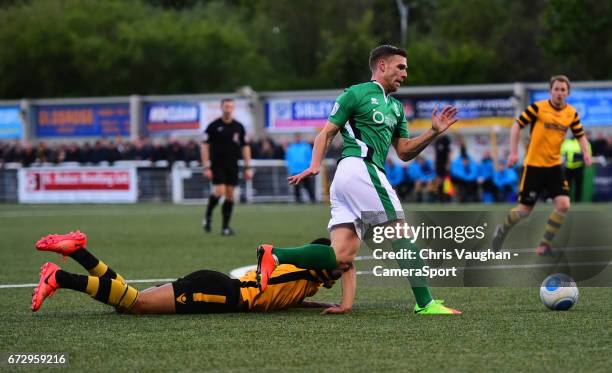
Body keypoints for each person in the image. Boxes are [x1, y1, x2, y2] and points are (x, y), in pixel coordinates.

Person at [258, 45, 461, 315]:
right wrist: (315, 164)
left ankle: (275, 254)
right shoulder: (356, 93)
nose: (405, 73)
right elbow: (326, 133)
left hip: (351, 177)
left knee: (341, 255)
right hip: (360, 169)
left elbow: (404, 152)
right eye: (400, 67)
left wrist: (433, 132)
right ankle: (425, 303)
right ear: (382, 66)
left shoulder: (397, 108)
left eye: (406, 68)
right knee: (399, 231)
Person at [31, 232, 346, 314]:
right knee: (136, 304)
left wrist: (317, 304)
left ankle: (77, 251)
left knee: (127, 304)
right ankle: (59, 278)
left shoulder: (308, 285)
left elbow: (284, 300)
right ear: (320, 266)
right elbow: (317, 264)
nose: (342, 270)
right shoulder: (307, 274)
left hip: (220, 286)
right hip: (223, 294)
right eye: (337, 267)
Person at [492, 75, 592, 255]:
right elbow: (516, 126)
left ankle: (543, 245)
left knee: (563, 205)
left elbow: (580, 135)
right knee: (524, 211)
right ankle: (502, 229)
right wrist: (514, 152)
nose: (560, 93)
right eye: (556, 89)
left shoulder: (571, 113)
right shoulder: (538, 108)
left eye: (563, 90)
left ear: (568, 93)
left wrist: (586, 152)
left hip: (554, 167)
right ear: (550, 91)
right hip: (534, 166)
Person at [201, 98, 253, 235]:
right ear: (221, 107)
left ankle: (225, 227)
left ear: (233, 108)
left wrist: (248, 166)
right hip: (217, 164)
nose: (228, 108)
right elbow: (205, 146)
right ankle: (208, 215)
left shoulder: (239, 127)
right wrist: (206, 166)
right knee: (219, 191)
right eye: (226, 106)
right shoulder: (213, 126)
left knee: (230, 195)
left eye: (230, 106)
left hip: (233, 164)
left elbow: (245, 147)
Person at [285, 133, 316, 203]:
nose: (297, 138)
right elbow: (288, 158)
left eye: (298, 137)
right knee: (296, 187)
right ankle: (298, 200)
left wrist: (308, 167)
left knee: (308, 185)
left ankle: (313, 199)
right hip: (295, 170)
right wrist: (290, 168)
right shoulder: (291, 147)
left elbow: (310, 157)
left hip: (304, 170)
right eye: (296, 137)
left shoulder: (306, 146)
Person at [561, 137, 592, 202]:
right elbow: (562, 153)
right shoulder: (567, 142)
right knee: (567, 186)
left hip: (579, 167)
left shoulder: (584, 142)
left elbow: (588, 153)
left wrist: (585, 159)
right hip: (568, 167)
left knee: (579, 185)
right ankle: (567, 200)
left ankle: (578, 201)